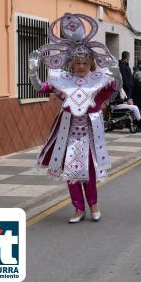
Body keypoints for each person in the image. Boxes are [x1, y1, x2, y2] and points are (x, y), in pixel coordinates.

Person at [28, 13, 121, 223]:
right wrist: (33, 72)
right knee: (71, 172)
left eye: (85, 63)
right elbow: (42, 88)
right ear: (72, 64)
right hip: (68, 134)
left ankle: (93, 204)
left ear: (91, 63)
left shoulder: (98, 81)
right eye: (77, 63)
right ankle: (78, 208)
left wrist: (117, 74)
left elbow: (114, 89)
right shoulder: (64, 82)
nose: (81, 66)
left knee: (88, 171)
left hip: (89, 134)